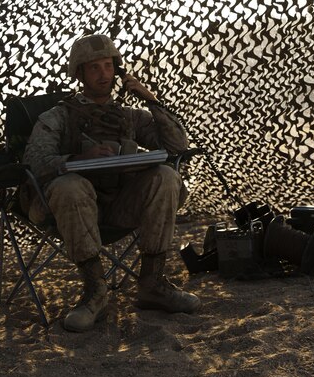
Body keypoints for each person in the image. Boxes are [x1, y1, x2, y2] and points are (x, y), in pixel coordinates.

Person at [22, 33, 200, 332]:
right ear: (79, 73)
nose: (104, 74)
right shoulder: (58, 116)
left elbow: (177, 147)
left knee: (166, 176)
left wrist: (151, 101)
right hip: (71, 211)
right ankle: (95, 292)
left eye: (108, 66)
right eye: (94, 68)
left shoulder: (130, 116)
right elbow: (34, 161)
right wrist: (79, 157)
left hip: (120, 205)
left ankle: (152, 284)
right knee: (70, 186)